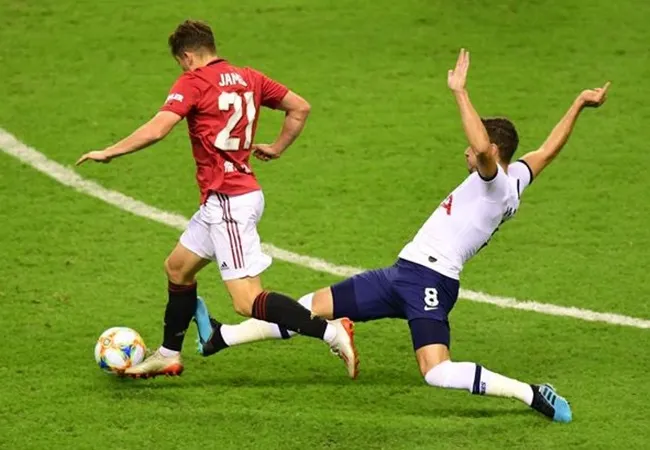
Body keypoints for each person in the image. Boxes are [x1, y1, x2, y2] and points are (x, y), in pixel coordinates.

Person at [194, 49, 610, 422]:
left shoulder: (496, 181)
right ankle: (222, 336)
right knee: (312, 308)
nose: (466, 151)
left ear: (493, 152)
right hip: (402, 273)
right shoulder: (517, 177)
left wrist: (460, 93)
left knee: (437, 372)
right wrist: (578, 104)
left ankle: (532, 394)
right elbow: (547, 151)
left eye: (473, 146)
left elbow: (482, 150)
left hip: (431, 282)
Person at [76, 20, 357, 379]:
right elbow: (300, 107)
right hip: (226, 199)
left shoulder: (193, 81)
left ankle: (332, 332)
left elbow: (159, 128)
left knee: (246, 301)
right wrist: (276, 148)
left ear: (189, 56)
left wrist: (111, 152)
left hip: (229, 202)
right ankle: (168, 353)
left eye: (181, 62)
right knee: (177, 268)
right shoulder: (250, 77)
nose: (182, 68)